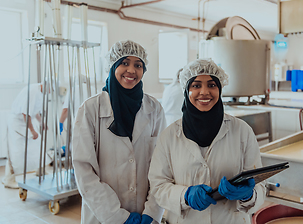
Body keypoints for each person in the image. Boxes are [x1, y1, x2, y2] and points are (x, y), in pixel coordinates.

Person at [148, 58, 266, 224]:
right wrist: (185, 196)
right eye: (196, 85)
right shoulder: (169, 136)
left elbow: (260, 185)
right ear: (186, 90)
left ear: (220, 89)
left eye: (211, 85)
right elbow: (158, 186)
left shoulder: (242, 131)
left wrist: (248, 195)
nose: (204, 92)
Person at [72, 40, 166, 224]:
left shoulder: (154, 109)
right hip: (103, 215)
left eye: (138, 65)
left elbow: (162, 166)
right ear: (113, 66)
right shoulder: (91, 109)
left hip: (145, 213)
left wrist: (153, 211)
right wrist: (116, 216)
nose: (131, 70)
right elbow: (84, 169)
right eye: (124, 63)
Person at [2, 83, 46, 188]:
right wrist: (32, 130)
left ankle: (40, 171)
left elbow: (35, 112)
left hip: (25, 122)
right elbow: (26, 113)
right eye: (50, 89)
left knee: (38, 145)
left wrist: (41, 123)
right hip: (17, 123)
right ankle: (9, 179)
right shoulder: (33, 91)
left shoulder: (39, 92)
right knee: (16, 152)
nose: (50, 92)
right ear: (45, 85)